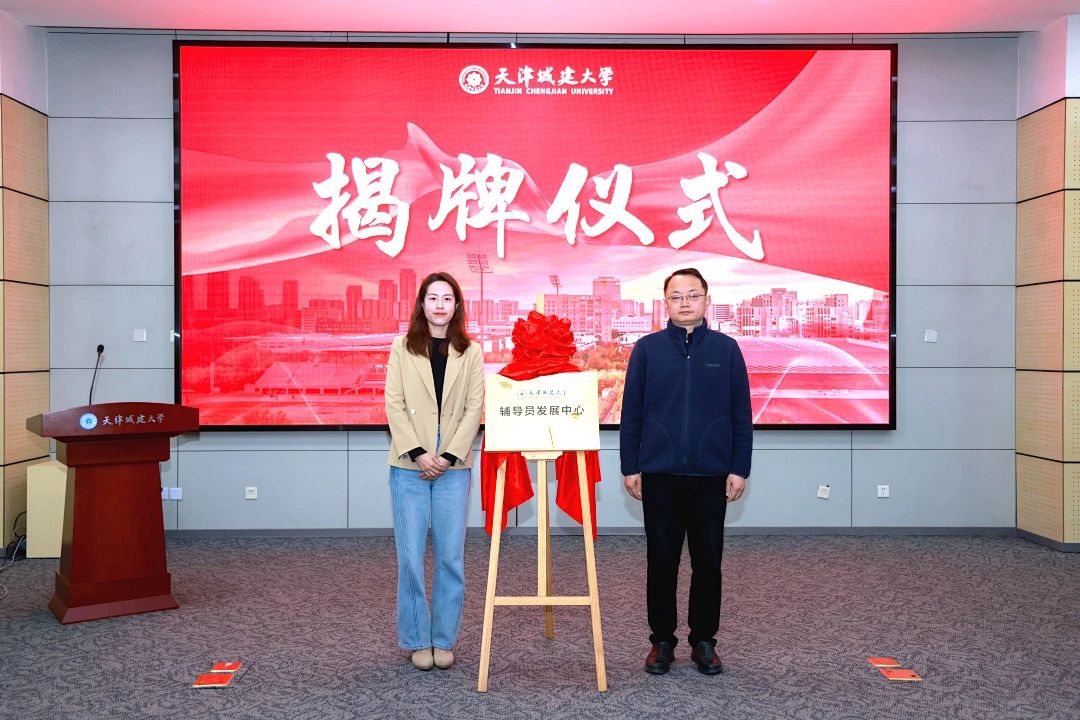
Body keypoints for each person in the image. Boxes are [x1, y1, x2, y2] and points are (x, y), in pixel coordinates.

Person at [620, 267, 752, 676]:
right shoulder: (647, 349)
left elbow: (741, 414)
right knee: (661, 561)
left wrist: (739, 467)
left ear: (707, 300)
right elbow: (632, 412)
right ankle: (661, 641)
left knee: (708, 562)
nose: (685, 303)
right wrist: (630, 466)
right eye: (676, 296)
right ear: (666, 302)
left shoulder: (726, 349)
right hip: (659, 474)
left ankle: (704, 641)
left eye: (693, 295)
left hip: (711, 475)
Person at [385, 272, 485, 671]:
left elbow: (474, 408)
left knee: (450, 556)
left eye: (447, 298)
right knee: (410, 556)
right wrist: (418, 452)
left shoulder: (471, 351)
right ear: (422, 304)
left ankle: (443, 639)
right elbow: (394, 403)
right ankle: (416, 639)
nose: (440, 305)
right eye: (432, 298)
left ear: (456, 305)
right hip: (408, 463)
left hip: (453, 466)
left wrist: (448, 455)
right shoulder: (401, 347)